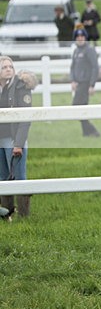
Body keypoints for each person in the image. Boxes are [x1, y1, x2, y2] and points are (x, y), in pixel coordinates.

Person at [0, 56, 36, 219]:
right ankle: (7, 214)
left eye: (10, 67)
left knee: (19, 177)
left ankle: (24, 216)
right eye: (4, 67)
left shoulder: (20, 87)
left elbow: (25, 120)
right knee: (3, 177)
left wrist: (19, 144)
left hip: (14, 139)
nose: (8, 69)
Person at [70, 28, 101, 137]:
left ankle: (91, 130)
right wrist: (73, 80)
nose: (80, 39)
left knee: (78, 107)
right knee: (79, 108)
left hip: (86, 83)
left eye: (82, 37)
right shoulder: (76, 51)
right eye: (78, 37)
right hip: (79, 83)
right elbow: (73, 67)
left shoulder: (89, 50)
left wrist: (92, 84)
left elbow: (95, 67)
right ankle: (87, 132)